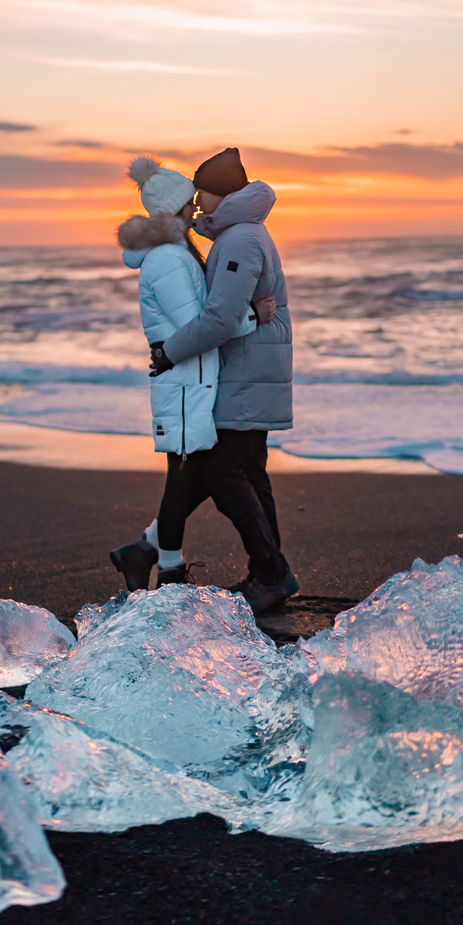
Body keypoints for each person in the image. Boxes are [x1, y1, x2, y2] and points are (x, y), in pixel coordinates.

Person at [110, 156, 275, 591]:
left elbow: (200, 322)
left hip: (191, 379)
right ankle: (168, 571)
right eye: (191, 201)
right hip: (184, 382)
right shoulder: (168, 259)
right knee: (183, 474)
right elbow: (197, 325)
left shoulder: (176, 253)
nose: (198, 208)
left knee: (189, 474)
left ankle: (151, 556)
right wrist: (253, 318)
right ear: (177, 208)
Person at [149, 147, 297, 614]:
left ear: (221, 193)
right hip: (251, 369)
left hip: (246, 372)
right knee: (249, 471)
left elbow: (218, 319)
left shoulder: (237, 241)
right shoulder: (241, 234)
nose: (196, 204)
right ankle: (269, 573)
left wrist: (167, 352)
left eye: (202, 193)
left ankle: (272, 573)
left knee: (224, 471)